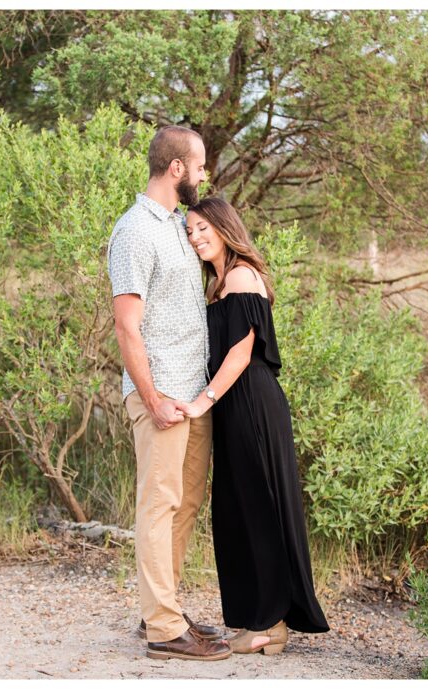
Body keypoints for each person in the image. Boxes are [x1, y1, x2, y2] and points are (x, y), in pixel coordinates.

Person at [176, 197, 330, 655]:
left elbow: (241, 354)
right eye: (189, 231)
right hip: (234, 404)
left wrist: (201, 402)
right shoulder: (219, 283)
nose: (196, 237)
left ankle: (270, 623)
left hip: (251, 401)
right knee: (239, 507)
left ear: (224, 227)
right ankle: (257, 617)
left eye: (203, 227)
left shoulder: (242, 275)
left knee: (259, 506)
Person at [107, 126, 231, 662]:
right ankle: (163, 629)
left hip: (194, 393)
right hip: (161, 397)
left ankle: (163, 612)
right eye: (200, 165)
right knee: (159, 505)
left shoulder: (181, 227)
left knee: (184, 504)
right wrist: (153, 398)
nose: (205, 175)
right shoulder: (135, 231)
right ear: (177, 168)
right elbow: (126, 326)